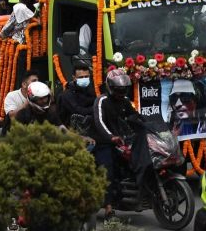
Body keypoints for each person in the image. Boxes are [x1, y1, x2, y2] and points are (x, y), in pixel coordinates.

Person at [93, 68, 142, 218]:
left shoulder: (125, 102)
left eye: (124, 90)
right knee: (108, 170)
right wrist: (110, 137)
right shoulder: (102, 100)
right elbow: (99, 122)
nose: (121, 93)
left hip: (121, 141)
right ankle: (108, 207)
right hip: (103, 142)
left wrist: (151, 125)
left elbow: (135, 116)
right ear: (110, 87)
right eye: (118, 90)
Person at [57, 62, 96, 132]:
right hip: (72, 132)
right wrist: (97, 108)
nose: (84, 79)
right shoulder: (67, 94)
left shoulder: (90, 90)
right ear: (74, 78)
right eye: (81, 77)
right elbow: (79, 111)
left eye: (86, 77)